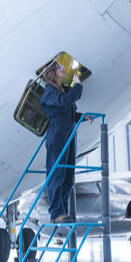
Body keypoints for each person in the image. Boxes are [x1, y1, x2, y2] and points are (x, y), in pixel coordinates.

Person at [40, 61, 83, 223]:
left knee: (68, 177)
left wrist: (81, 117)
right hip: (57, 137)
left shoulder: (63, 91)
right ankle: (56, 213)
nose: (63, 68)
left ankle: (63, 211)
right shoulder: (50, 93)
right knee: (57, 175)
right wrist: (77, 86)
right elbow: (64, 103)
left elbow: (69, 112)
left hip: (69, 136)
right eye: (59, 67)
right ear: (52, 72)